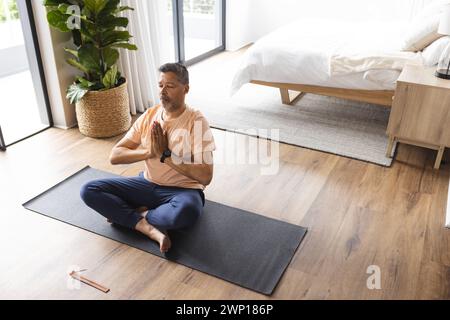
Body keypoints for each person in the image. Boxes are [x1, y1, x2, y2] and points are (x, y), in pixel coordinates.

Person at [80, 63, 216, 253]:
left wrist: (165, 156)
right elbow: (115, 155)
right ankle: (149, 228)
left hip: (182, 191)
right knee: (89, 190)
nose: (163, 91)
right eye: (160, 85)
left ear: (186, 89)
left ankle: (139, 213)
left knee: (187, 212)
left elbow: (206, 176)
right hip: (147, 183)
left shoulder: (197, 121)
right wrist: (149, 152)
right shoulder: (150, 115)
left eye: (170, 86)